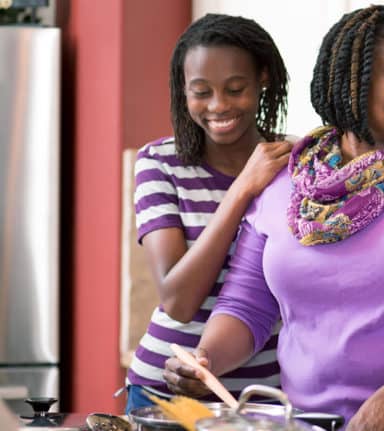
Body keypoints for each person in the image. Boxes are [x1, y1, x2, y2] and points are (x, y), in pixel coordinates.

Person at [163, 4, 384, 430]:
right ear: (353, 85)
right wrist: (205, 360)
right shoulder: (283, 186)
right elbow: (246, 307)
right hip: (315, 421)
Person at [124, 13, 293, 413]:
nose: (218, 106)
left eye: (236, 89)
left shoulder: (296, 161)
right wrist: (242, 189)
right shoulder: (159, 163)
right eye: (201, 92)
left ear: (263, 78)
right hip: (171, 392)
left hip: (268, 397)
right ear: (183, 91)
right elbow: (178, 300)